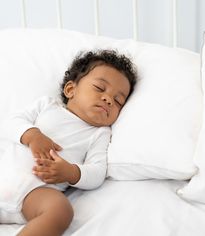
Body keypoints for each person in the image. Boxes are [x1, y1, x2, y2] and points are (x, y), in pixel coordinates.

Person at [0, 50, 137, 236]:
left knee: (61, 211)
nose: (108, 99)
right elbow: (9, 122)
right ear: (71, 90)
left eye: (118, 100)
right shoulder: (47, 106)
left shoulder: (99, 134)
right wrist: (32, 135)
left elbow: (97, 171)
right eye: (99, 88)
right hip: (4, 174)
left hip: (36, 193)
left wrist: (70, 172)